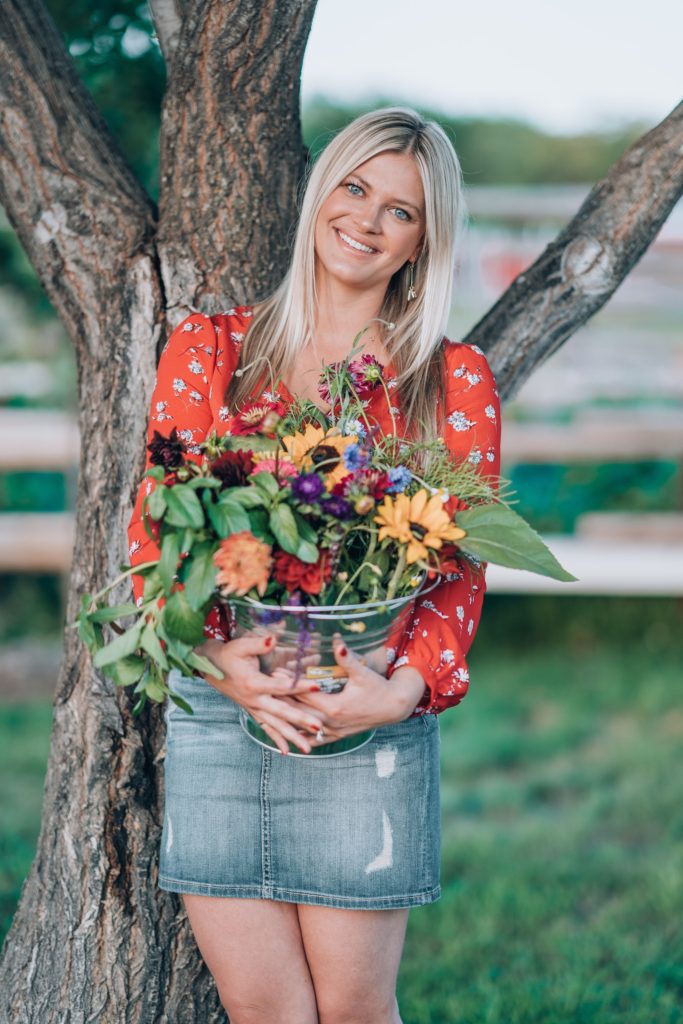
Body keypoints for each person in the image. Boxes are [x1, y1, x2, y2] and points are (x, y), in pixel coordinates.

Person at [127, 107, 501, 1024]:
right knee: (263, 1012)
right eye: (355, 188)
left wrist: (403, 692)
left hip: (364, 718)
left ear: (421, 244)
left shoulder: (450, 380)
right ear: (319, 193)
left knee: (354, 1011)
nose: (367, 222)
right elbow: (157, 541)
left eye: (400, 212)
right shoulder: (209, 349)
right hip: (224, 715)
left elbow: (459, 570)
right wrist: (221, 665)